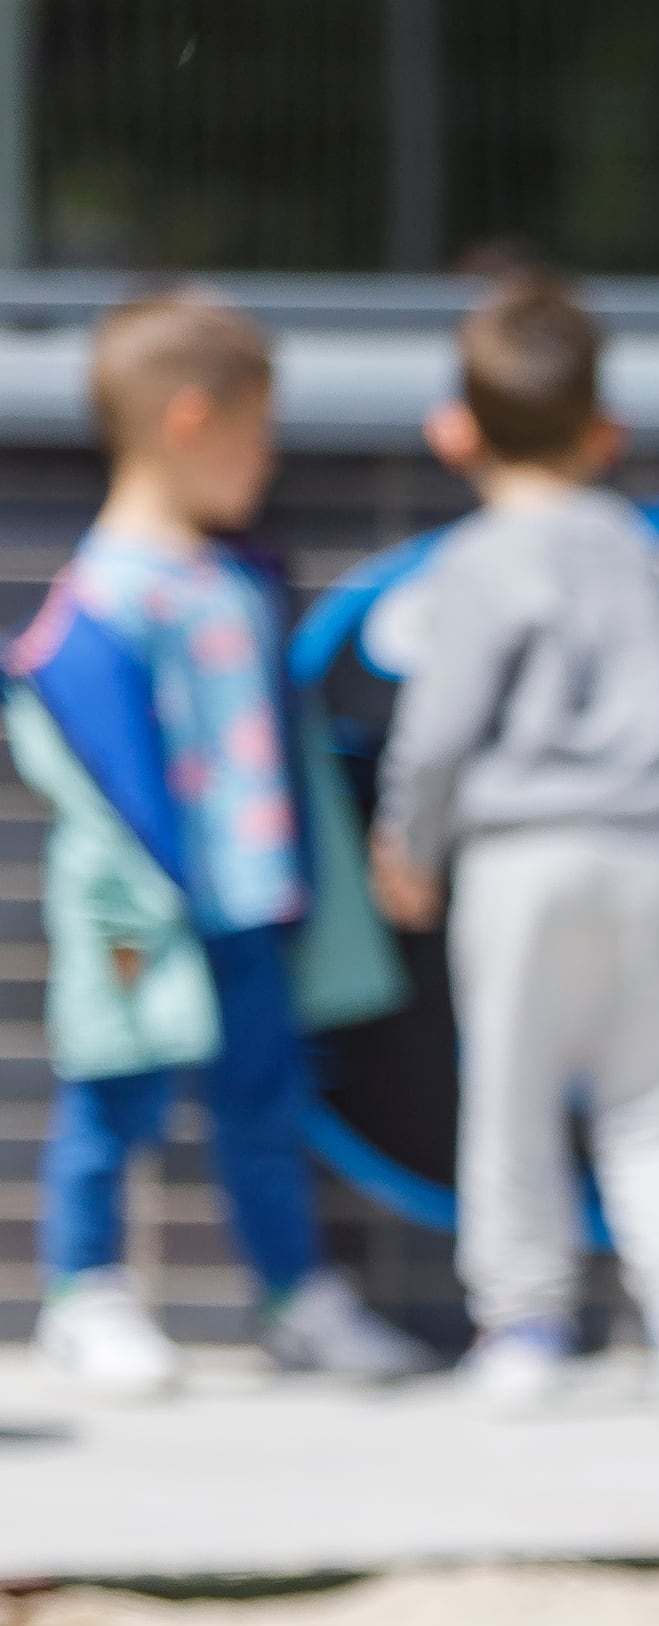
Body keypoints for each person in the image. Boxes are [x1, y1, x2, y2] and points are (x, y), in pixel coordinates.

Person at [11, 289, 430, 1399]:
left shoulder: (236, 578)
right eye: (258, 435)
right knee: (114, 1095)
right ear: (190, 423)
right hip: (145, 919)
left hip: (254, 907)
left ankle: (296, 1296)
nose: (271, 460)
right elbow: (67, 724)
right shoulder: (106, 594)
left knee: (264, 1101)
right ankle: (83, 1292)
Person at [362, 270, 659, 1414]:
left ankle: (523, 1328)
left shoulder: (476, 562)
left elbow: (435, 733)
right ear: (604, 431)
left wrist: (406, 842)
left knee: (513, 1100)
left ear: (455, 432)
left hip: (521, 857)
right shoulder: (645, 551)